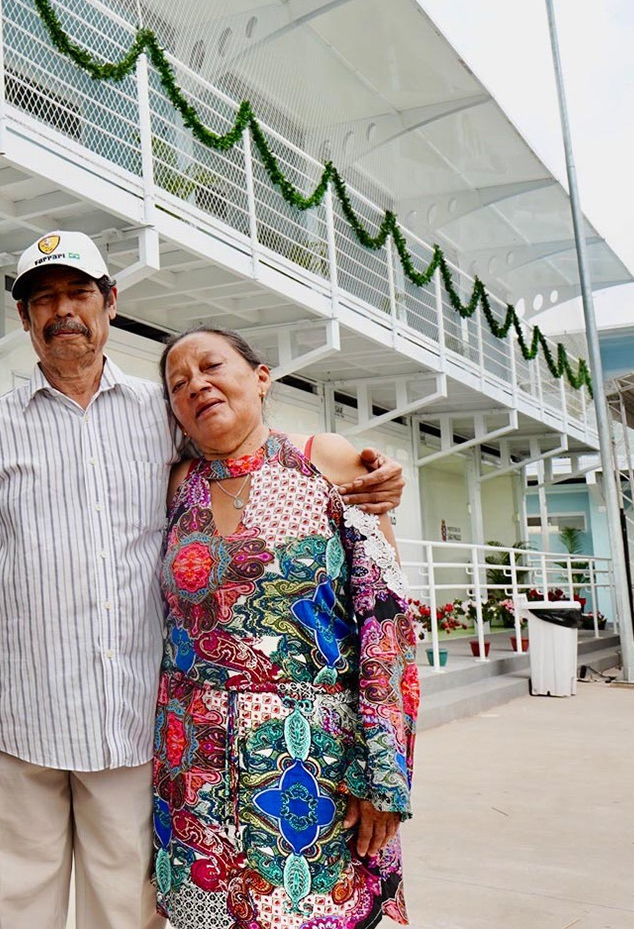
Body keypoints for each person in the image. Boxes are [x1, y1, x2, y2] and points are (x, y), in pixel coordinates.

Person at [0, 232, 405, 929]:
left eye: (78, 294)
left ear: (109, 304)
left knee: (125, 914)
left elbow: (250, 442)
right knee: (14, 910)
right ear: (24, 319)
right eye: (43, 299)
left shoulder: (164, 414)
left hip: (131, 726)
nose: (63, 311)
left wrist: (360, 467)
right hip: (14, 721)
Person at [152, 326, 417, 928]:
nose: (197, 385)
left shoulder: (327, 460)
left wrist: (381, 773)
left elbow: (386, 623)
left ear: (261, 377)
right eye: (178, 383)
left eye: (212, 366)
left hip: (315, 768)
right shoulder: (176, 488)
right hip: (192, 768)